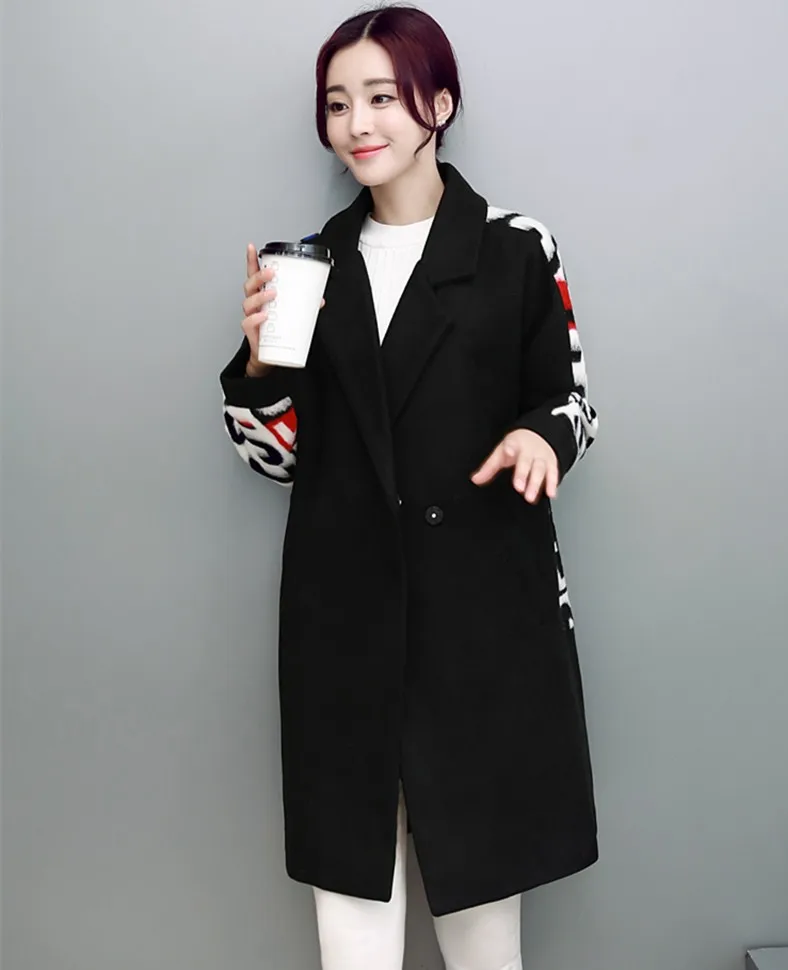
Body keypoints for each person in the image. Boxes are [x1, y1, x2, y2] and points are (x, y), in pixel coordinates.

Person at [220, 5, 599, 968]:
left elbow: (570, 400)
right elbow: (276, 459)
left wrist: (537, 437)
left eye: (382, 96)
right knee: (352, 924)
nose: (357, 123)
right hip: (343, 623)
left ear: (441, 102)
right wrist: (259, 365)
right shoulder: (308, 264)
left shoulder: (515, 247)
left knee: (484, 931)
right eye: (337, 103)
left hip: (481, 618)